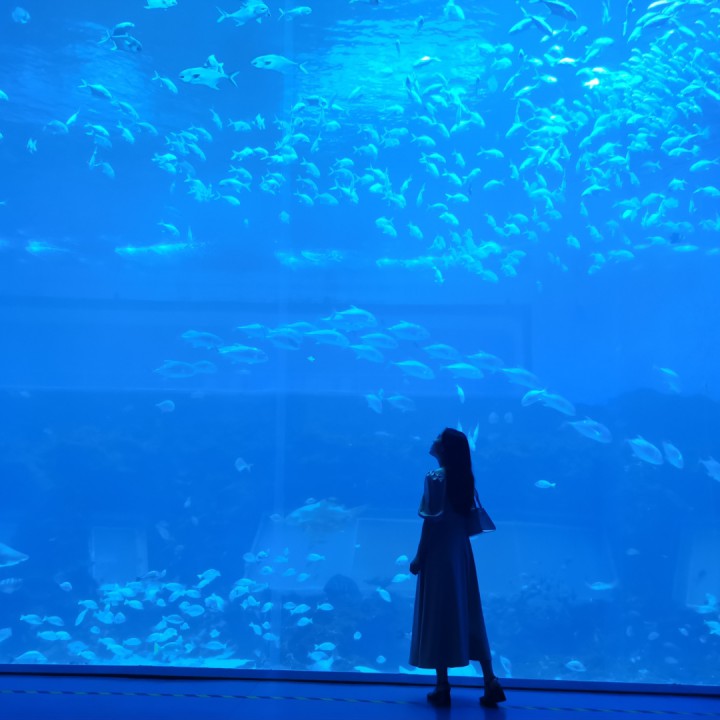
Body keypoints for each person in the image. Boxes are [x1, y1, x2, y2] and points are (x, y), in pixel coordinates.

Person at [409, 428, 506, 708]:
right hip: (461, 553)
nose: (434, 439)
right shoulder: (465, 478)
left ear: (445, 448)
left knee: (439, 613)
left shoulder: (435, 477)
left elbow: (431, 522)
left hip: (439, 554)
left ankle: (442, 686)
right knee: (469, 610)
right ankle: (491, 681)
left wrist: (419, 557)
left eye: (439, 437)